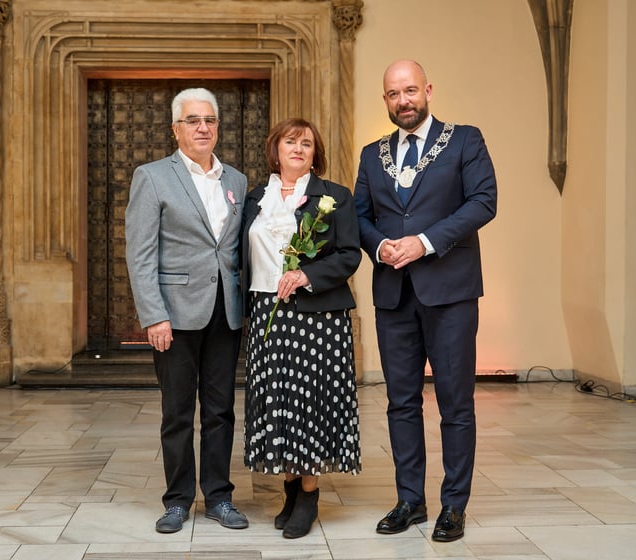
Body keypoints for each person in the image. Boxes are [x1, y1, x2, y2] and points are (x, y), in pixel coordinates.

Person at [353, 60, 497, 541]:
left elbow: (482, 202)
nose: (403, 101)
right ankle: (410, 500)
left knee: (456, 404)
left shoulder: (465, 140)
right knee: (401, 403)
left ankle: (453, 505)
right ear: (386, 100)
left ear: (428, 90)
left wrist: (424, 242)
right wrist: (378, 246)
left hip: (450, 293)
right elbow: (359, 216)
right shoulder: (372, 155)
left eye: (410, 90)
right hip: (394, 295)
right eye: (394, 94)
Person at [125, 87, 249, 534]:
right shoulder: (153, 176)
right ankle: (177, 500)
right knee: (177, 411)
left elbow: (236, 249)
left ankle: (218, 496)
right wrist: (153, 315)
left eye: (210, 120)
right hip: (174, 315)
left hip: (225, 313)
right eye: (193, 120)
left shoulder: (236, 181)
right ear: (176, 129)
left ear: (218, 127)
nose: (203, 127)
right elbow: (140, 253)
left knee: (220, 410)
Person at [241, 117, 362, 539]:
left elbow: (349, 254)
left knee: (310, 403)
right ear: (275, 150)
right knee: (277, 402)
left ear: (316, 154)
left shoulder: (336, 197)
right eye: (290, 142)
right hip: (266, 312)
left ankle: (309, 492)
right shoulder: (255, 197)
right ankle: (289, 486)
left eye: (307, 144)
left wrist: (307, 276)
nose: (299, 149)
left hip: (317, 316)